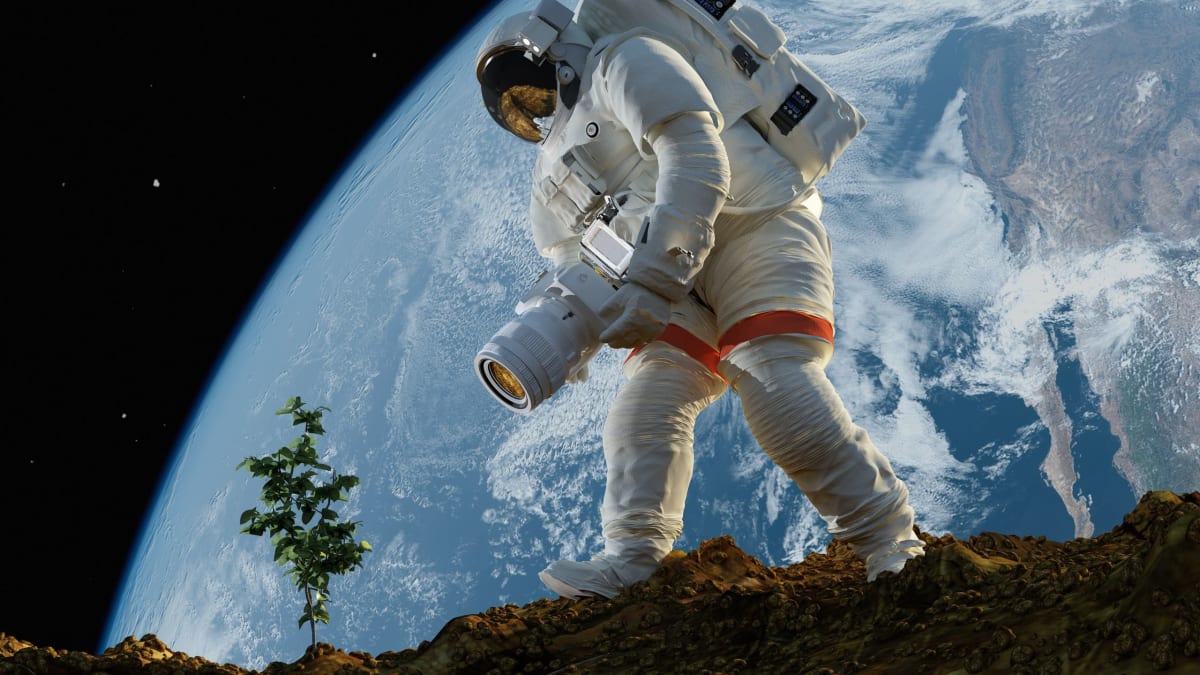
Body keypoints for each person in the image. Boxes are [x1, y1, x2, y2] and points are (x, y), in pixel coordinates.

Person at [474, 0, 925, 599]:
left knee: (771, 375)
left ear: (557, 54)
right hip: (663, 280)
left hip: (754, 218)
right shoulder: (549, 183)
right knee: (643, 410)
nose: (529, 110)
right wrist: (574, 336)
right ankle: (633, 562)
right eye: (514, 110)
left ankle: (890, 542)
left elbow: (697, 154)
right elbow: (575, 266)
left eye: (526, 89)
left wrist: (655, 280)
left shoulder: (625, 61)